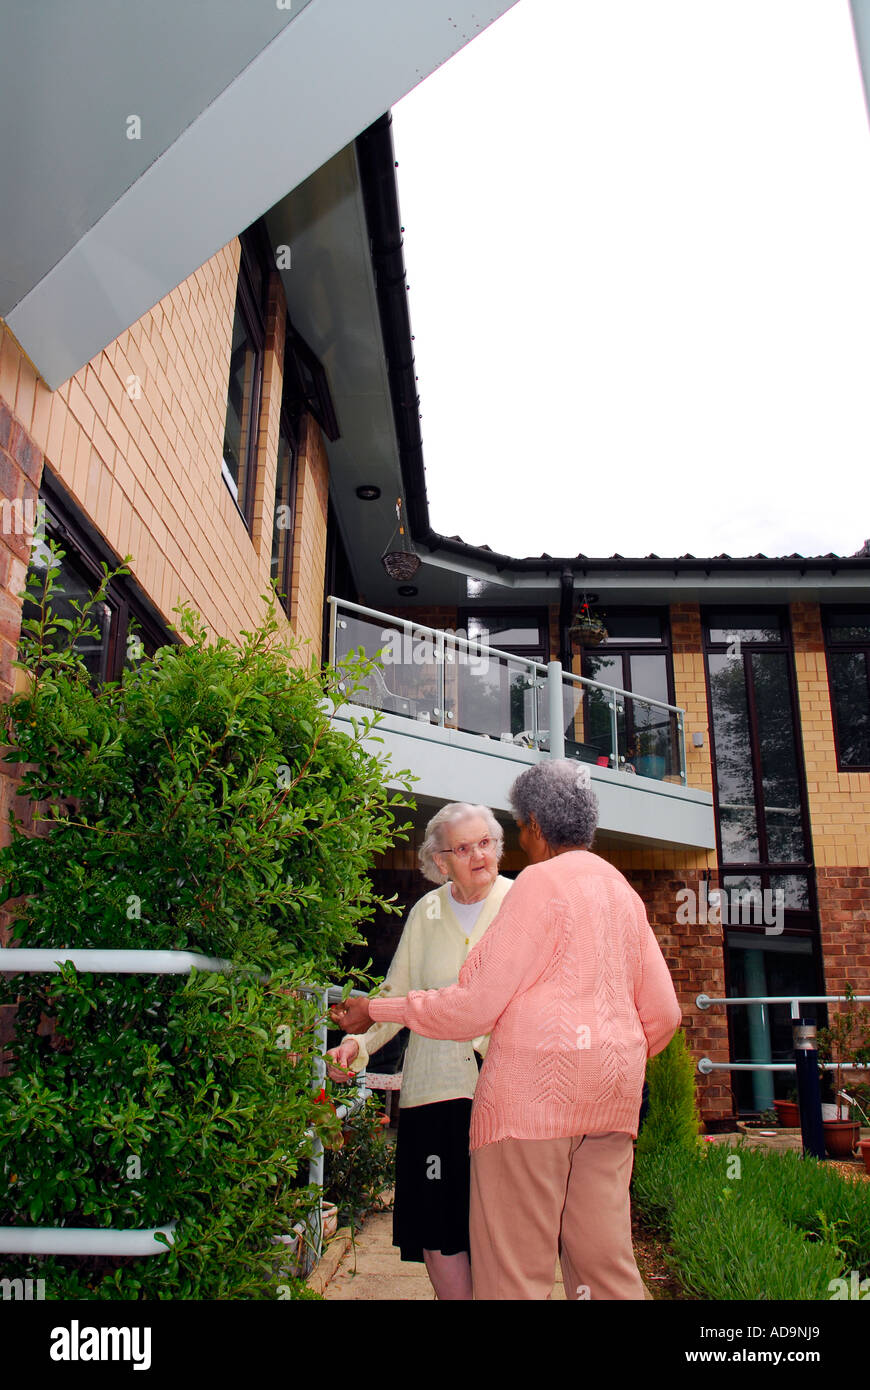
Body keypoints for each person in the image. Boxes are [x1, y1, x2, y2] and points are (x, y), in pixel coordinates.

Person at [333, 760, 682, 1300]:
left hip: (530, 1110)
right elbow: (664, 1015)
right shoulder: (620, 890)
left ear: (537, 825)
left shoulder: (537, 886)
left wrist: (376, 1012)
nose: (516, 840)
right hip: (611, 1106)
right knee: (604, 1265)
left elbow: (473, 1007)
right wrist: (611, 1059)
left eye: (517, 828)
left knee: (515, 1273)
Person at [325, 802, 513, 1301]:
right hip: (433, 1092)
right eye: (463, 847)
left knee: (500, 1233)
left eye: (485, 843)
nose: (478, 855)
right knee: (436, 1228)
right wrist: (358, 1043)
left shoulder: (521, 902)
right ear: (440, 861)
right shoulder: (426, 912)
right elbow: (395, 993)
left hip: (503, 1096)